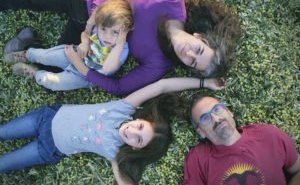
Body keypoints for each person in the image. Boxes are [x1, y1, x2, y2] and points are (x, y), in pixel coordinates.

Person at [1, 0, 241, 95]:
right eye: (198, 50)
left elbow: (120, 88)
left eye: (191, 62)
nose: (187, 53)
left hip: (94, 42)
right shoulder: (173, 3)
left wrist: (82, 67)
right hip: (88, 1)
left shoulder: (160, 63)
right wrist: (95, 17)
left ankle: (27, 45)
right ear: (199, 37)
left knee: (53, 71)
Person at [0, 77, 224, 184]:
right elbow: (162, 86)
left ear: (135, 149)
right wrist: (203, 83)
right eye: (139, 128)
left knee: (3, 165)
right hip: (46, 117)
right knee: (2, 132)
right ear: (142, 119)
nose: (131, 132)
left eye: (137, 140)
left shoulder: (114, 151)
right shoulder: (124, 108)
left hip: (47, 149)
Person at [4, 0, 134, 91]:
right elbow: (86, 33)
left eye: (115, 32)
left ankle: (34, 73)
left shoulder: (121, 49)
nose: (107, 36)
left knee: (53, 83)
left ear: (124, 32)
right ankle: (26, 55)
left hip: (84, 77)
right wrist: (84, 42)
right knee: (45, 56)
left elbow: (107, 67)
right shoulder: (97, 30)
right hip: (73, 54)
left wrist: (121, 42)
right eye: (103, 29)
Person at [183, 96, 300, 185]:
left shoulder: (269, 135)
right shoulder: (198, 159)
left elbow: (298, 170)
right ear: (201, 132)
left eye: (217, 109)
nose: (216, 118)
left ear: (229, 112)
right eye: (205, 118)